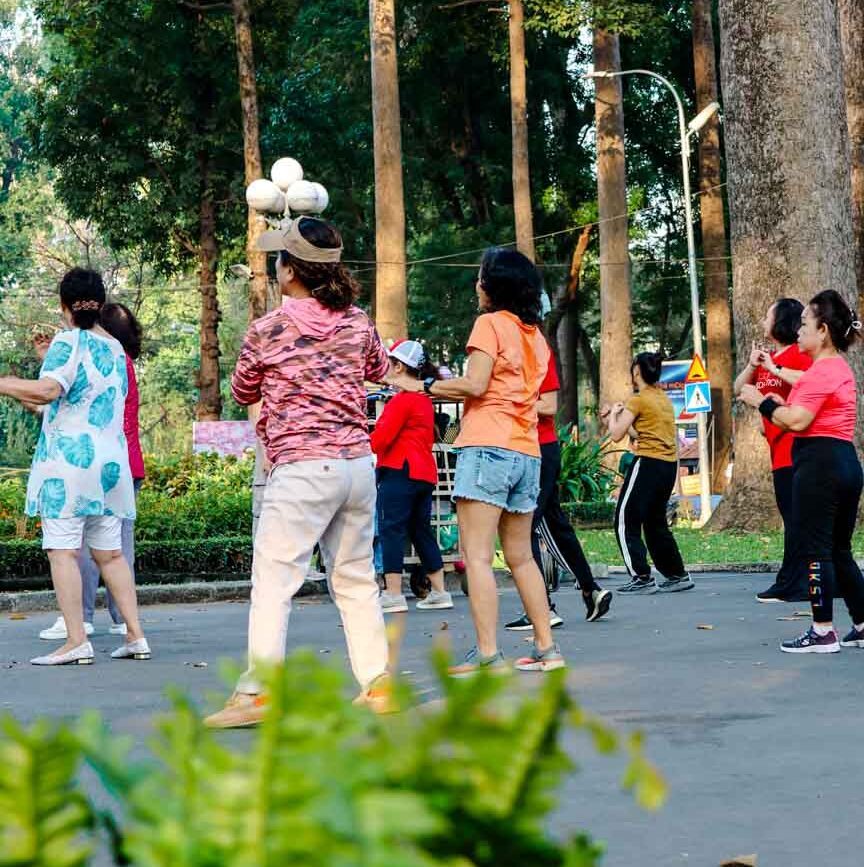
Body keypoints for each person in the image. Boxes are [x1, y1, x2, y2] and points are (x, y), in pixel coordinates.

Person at [205, 216, 391, 728]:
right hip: (356, 465)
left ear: (290, 271)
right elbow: (378, 369)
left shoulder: (268, 330)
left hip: (302, 469)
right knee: (354, 578)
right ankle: (378, 683)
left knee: (274, 580)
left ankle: (259, 693)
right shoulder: (357, 322)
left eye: (279, 259)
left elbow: (243, 391)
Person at [390, 247, 565, 675]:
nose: (476, 284)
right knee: (521, 556)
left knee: (479, 556)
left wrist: (421, 386)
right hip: (526, 451)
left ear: (493, 285)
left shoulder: (490, 324)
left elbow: (475, 384)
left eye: (481, 276)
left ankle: (488, 654)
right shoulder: (536, 336)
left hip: (488, 447)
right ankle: (547, 648)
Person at [0, 268, 149, 665]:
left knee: (62, 551)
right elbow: (65, 403)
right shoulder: (115, 349)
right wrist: (24, 394)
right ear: (99, 303)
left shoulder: (68, 341)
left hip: (69, 466)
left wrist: (4, 382)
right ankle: (136, 636)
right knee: (111, 554)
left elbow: (49, 390)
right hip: (110, 464)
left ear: (64, 305)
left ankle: (76, 640)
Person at [739, 289, 864, 654]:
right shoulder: (832, 368)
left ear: (823, 331)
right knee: (839, 550)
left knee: (817, 550)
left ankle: (822, 631)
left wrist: (760, 401)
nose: (798, 331)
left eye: (805, 325)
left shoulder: (824, 369)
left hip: (819, 463)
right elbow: (801, 402)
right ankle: (860, 623)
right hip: (843, 461)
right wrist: (775, 388)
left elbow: (797, 420)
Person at [37, 303, 146, 640]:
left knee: (68, 550)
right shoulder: (118, 357)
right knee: (113, 551)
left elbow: (57, 397)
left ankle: (78, 628)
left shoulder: (77, 344)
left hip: (79, 466)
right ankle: (130, 630)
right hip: (118, 464)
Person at [505, 350, 612, 630]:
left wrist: (507, 402)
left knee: (523, 527)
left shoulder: (535, 350)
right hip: (539, 448)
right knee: (555, 523)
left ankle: (540, 607)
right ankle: (591, 589)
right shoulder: (525, 348)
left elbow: (549, 405)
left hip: (536, 447)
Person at [733, 299, 811, 603]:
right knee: (791, 518)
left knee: (796, 520)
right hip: (777, 450)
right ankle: (798, 581)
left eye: (768, 315)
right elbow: (741, 387)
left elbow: (809, 384)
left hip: (795, 448)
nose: (763, 320)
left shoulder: (797, 355)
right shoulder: (769, 358)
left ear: (781, 321)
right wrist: (753, 365)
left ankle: (792, 583)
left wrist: (772, 367)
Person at [371, 338, 452, 613]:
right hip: (424, 473)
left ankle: (393, 594)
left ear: (398, 366)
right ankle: (440, 591)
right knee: (421, 532)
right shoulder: (423, 401)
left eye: (391, 363)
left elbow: (379, 441)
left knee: (390, 530)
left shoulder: (402, 401)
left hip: (399, 471)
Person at [602, 352, 692, 595]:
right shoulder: (661, 398)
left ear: (636, 372)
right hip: (667, 466)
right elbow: (639, 432)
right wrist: (617, 418)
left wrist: (612, 415)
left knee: (624, 519)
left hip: (648, 463)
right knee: (655, 523)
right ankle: (677, 574)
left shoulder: (638, 399)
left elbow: (616, 435)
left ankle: (641, 577)